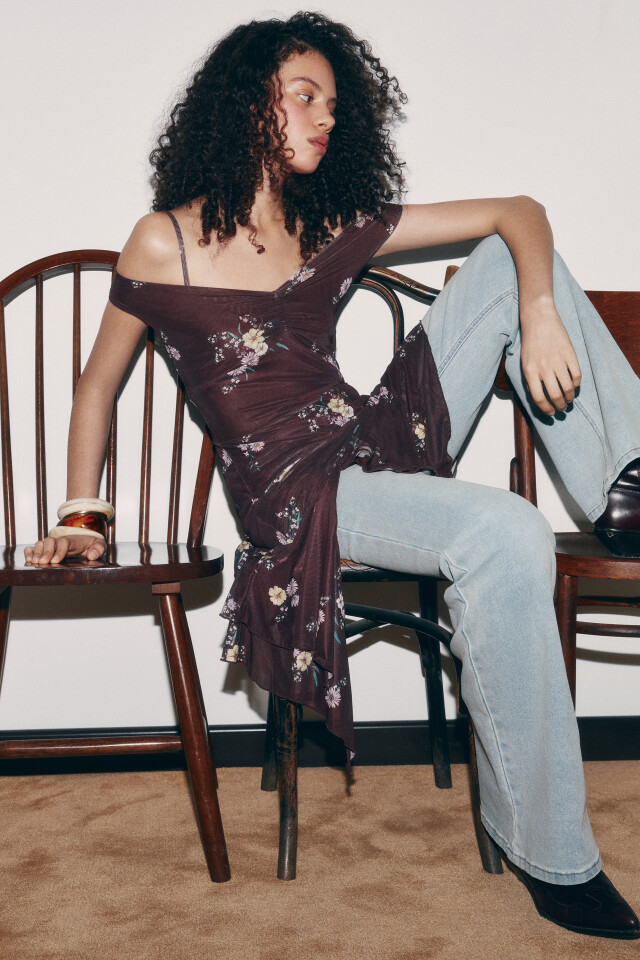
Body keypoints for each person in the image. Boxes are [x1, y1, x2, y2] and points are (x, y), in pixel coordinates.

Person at [23, 11, 640, 940]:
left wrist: (541, 310)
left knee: (510, 265)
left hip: (370, 440)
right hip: (295, 497)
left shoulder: (325, 223)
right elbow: (96, 386)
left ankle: (627, 481)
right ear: (247, 106)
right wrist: (83, 518)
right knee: (508, 529)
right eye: (304, 96)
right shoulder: (164, 241)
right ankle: (555, 857)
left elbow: (519, 211)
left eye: (334, 105)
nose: (324, 118)